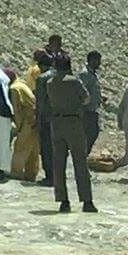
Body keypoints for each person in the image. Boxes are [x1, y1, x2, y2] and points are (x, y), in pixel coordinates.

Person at [46, 53, 97, 213]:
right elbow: (86, 99)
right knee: (80, 162)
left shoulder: (49, 82)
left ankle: (63, 200)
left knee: (59, 163)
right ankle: (86, 201)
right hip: (73, 122)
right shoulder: (74, 81)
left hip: (57, 123)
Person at [5, 68, 40, 182]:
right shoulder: (22, 84)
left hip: (27, 120)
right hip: (36, 119)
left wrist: (19, 127)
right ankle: (31, 174)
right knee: (33, 148)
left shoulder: (14, 89)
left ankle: (16, 173)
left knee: (20, 147)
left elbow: (16, 110)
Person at [35, 53, 56, 186]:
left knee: (46, 148)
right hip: (59, 119)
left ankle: (50, 177)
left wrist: (38, 119)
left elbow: (41, 102)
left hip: (46, 119)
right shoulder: (61, 75)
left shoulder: (42, 79)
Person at [78, 51, 104, 155]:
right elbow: (81, 90)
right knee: (90, 134)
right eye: (98, 61)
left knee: (93, 133)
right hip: (87, 111)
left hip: (93, 109)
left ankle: (84, 156)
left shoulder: (92, 73)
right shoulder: (85, 74)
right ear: (92, 60)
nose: (99, 63)